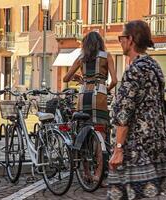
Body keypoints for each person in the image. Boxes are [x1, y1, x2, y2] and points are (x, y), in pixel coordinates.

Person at [107, 20, 166, 200]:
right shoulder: (154, 66)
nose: (120, 41)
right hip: (158, 143)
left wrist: (118, 148)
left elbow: (124, 113)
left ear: (131, 40)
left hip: (136, 148)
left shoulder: (134, 70)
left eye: (121, 37)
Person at [63, 31, 118, 183]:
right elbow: (114, 81)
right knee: (101, 136)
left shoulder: (81, 58)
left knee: (84, 134)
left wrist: (78, 78)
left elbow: (66, 78)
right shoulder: (107, 56)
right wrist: (105, 90)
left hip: (83, 96)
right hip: (99, 96)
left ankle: (86, 173)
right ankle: (98, 175)